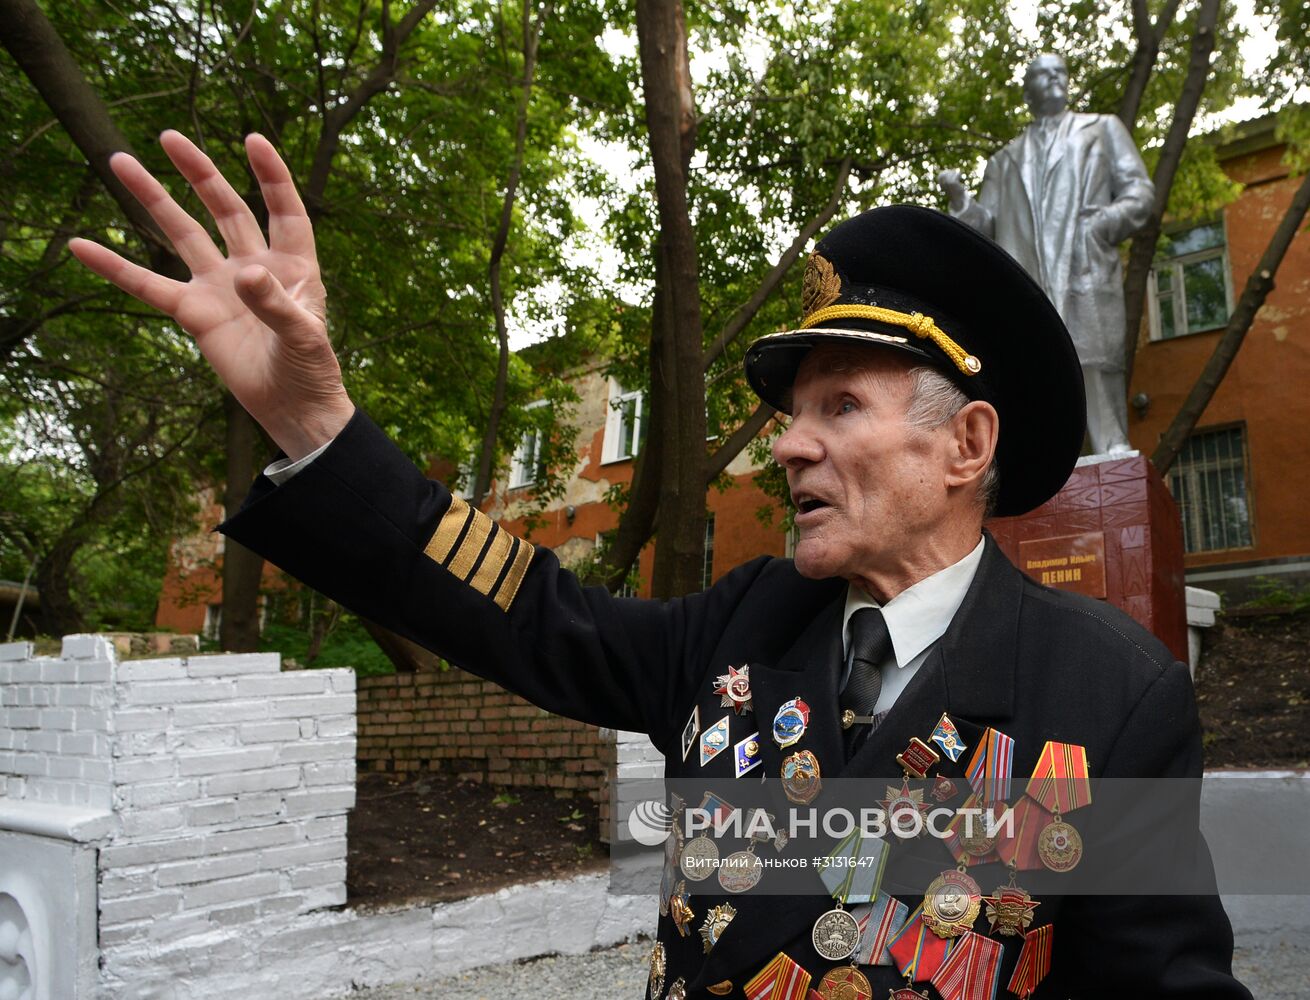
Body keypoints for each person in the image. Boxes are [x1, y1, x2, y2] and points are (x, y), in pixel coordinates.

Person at [70, 132, 1249, 998]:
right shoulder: (745, 620)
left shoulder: (1106, 693)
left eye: (840, 404)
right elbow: (526, 608)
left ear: (965, 445)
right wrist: (317, 425)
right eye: (792, 410)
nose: (789, 441)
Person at [937, 53, 1155, 456]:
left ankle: (1111, 444)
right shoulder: (1005, 161)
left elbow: (1140, 194)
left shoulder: (1102, 129)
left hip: (1081, 263)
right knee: (1033, 369)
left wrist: (1101, 227)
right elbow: (983, 226)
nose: (1054, 78)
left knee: (1093, 358)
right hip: (1029, 278)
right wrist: (958, 197)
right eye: (1042, 73)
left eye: (1060, 71)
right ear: (1028, 90)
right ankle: (1042, 462)